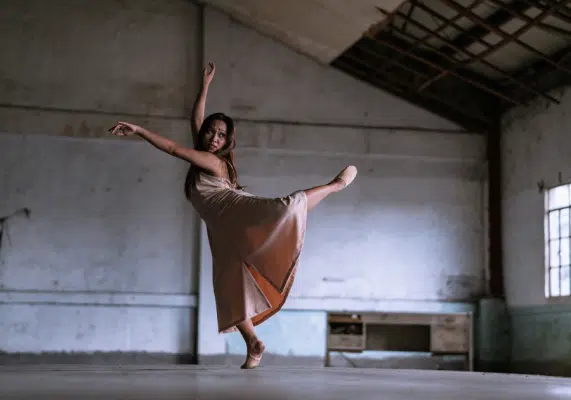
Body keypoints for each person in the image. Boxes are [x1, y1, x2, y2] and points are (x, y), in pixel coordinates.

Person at [108, 62, 358, 369]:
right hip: (220, 229)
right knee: (228, 286)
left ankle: (334, 185)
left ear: (227, 142)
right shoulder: (202, 155)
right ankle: (253, 344)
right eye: (211, 132)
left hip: (235, 210)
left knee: (285, 207)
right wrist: (205, 86)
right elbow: (196, 119)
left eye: (221, 135)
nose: (214, 138)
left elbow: (172, 148)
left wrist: (138, 130)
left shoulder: (213, 162)